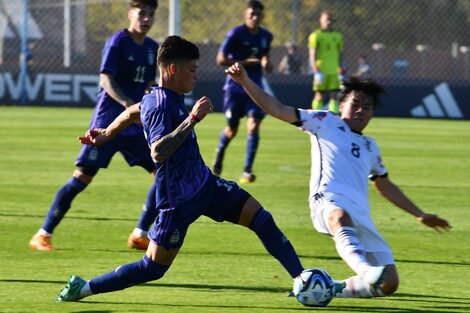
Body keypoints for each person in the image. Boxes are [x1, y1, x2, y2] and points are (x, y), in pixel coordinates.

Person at [56, 35, 308, 302]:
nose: (196, 76)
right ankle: (83, 288)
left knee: (261, 219)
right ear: (174, 69)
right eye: (193, 69)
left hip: (206, 186)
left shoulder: (163, 96)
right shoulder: (162, 105)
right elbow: (158, 152)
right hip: (178, 202)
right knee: (152, 268)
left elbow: (132, 112)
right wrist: (192, 120)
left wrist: (107, 132)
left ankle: (302, 279)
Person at [224, 62, 451, 298]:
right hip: (328, 201)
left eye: (367, 107)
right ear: (342, 104)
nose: (360, 111)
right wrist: (246, 82)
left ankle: (329, 289)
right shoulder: (324, 121)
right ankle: (364, 270)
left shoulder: (370, 146)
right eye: (355, 104)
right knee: (340, 218)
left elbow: (384, 185)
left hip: (360, 214)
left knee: (389, 284)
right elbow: (278, 108)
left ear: (372, 113)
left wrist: (419, 214)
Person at [29, 0, 159, 251]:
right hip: (106, 125)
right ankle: (43, 234)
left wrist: (152, 102)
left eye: (151, 14)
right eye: (142, 13)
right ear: (131, 13)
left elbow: (151, 84)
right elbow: (105, 78)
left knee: (163, 173)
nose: (146, 18)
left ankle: (139, 234)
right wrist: (127, 103)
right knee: (82, 178)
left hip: (134, 127)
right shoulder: (118, 41)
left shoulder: (153, 48)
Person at [212, 0, 273, 184]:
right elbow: (221, 59)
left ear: (262, 16)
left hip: (254, 88)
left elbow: (265, 60)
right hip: (234, 88)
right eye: (251, 14)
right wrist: (248, 62)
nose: (254, 17)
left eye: (258, 14)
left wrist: (266, 64)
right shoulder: (236, 34)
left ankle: (247, 170)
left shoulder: (266, 36)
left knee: (253, 125)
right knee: (232, 129)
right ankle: (220, 153)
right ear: (245, 15)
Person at [308, 11, 343, 114]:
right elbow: (312, 54)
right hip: (321, 70)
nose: (328, 22)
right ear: (321, 21)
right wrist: (315, 70)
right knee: (319, 95)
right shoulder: (316, 35)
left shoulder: (337, 36)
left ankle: (333, 119)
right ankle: (315, 117)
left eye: (330, 20)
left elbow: (340, 53)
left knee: (334, 96)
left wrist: (341, 68)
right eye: (326, 20)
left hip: (333, 70)